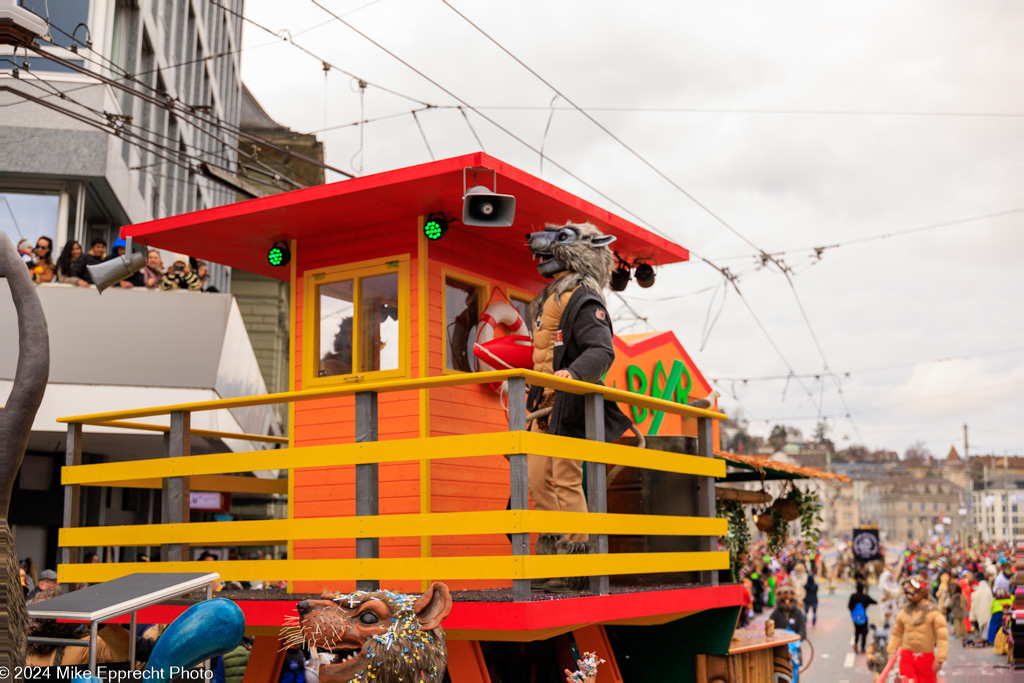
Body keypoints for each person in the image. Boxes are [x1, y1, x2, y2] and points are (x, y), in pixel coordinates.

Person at [524, 223, 630, 593]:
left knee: (566, 479)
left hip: (567, 401)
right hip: (542, 404)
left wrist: (573, 373)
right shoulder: (548, 298)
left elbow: (601, 349)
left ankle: (576, 565)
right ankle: (552, 557)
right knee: (536, 482)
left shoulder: (583, 296)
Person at [887, 574, 947, 683]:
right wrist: (892, 651)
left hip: (927, 658)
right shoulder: (904, 612)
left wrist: (940, 659)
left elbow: (941, 636)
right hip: (906, 657)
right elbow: (897, 633)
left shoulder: (933, 612)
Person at [848, 581, 877, 653]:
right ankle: (863, 648)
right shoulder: (865, 597)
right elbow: (875, 602)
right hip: (863, 618)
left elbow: (849, 606)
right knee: (864, 632)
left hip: (855, 618)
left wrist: (853, 612)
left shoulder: (853, 596)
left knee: (857, 631)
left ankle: (856, 644)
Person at [969, 575, 994, 645]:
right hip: (988, 612)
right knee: (986, 625)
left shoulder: (977, 594)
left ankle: (983, 637)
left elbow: (973, 600)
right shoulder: (989, 593)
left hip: (979, 613)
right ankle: (985, 638)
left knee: (982, 625)